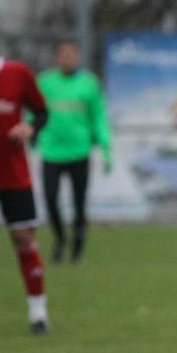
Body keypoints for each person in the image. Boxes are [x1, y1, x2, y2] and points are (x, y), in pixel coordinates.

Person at [0, 13, 50, 335]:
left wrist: (29, 127)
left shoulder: (18, 74)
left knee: (24, 238)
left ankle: (38, 313)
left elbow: (42, 112)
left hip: (14, 175)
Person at [36, 38, 112, 264]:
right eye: (63, 54)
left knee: (79, 204)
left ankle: (77, 250)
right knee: (50, 200)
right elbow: (35, 113)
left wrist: (106, 149)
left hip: (80, 152)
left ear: (77, 56)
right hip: (51, 152)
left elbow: (98, 117)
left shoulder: (89, 84)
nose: (68, 58)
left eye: (71, 54)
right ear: (57, 57)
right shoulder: (44, 83)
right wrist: (29, 137)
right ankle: (60, 239)